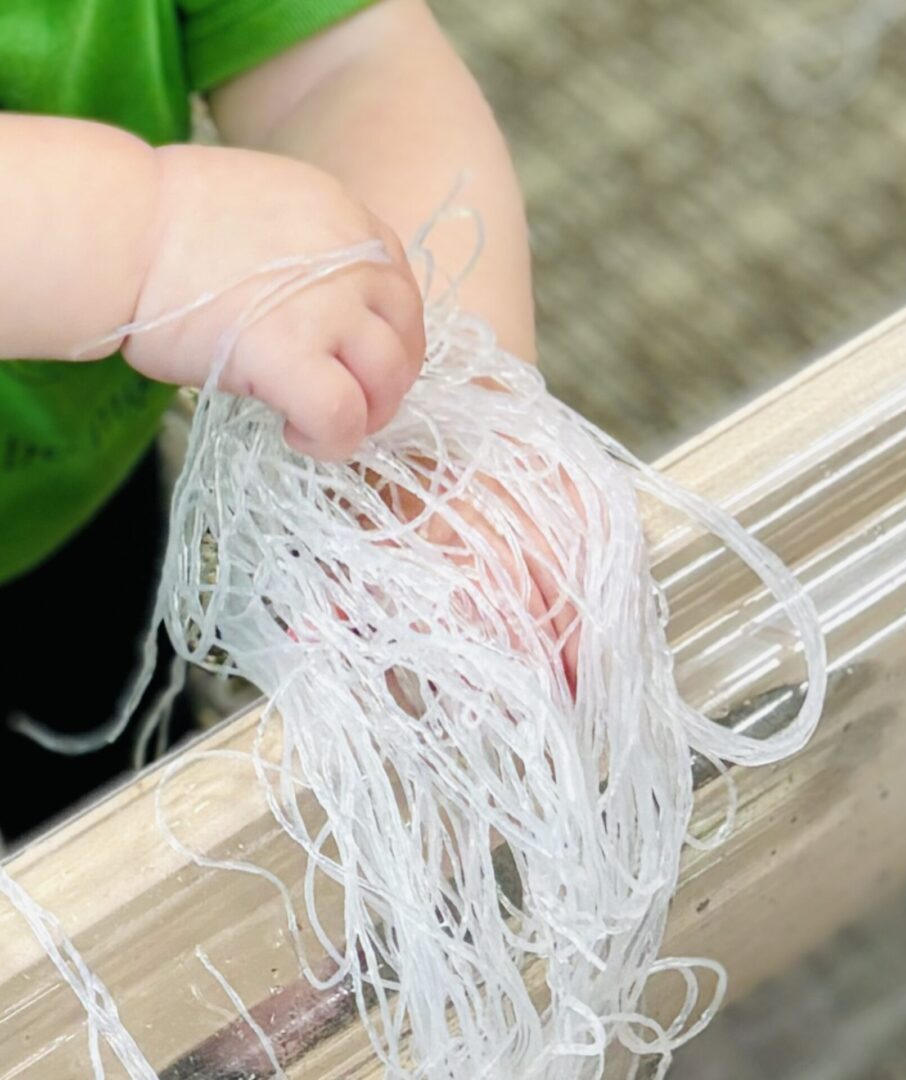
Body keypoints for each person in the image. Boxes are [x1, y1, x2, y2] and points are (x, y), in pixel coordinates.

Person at [0, 0, 535, 843]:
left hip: (79, 478)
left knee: (123, 815)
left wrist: (436, 432)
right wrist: (145, 230)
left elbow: (340, 63)